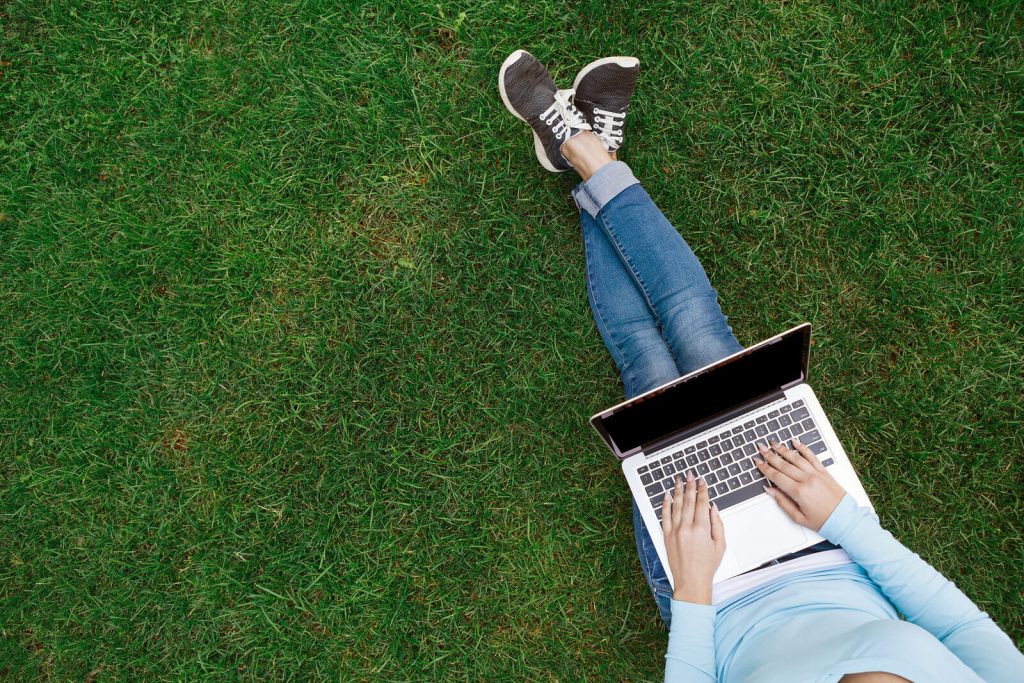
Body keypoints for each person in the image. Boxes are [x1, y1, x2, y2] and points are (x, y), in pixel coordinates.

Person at [497, 49, 1024, 683]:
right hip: (832, 543)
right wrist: (843, 522)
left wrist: (692, 589)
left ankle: (585, 152)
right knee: (699, 326)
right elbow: (960, 626)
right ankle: (585, 154)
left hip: (716, 593)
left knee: (648, 368)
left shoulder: (702, 593)